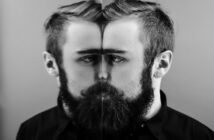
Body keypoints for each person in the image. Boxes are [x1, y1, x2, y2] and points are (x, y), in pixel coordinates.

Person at [16, 0, 214, 139]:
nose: (102, 74)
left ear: (161, 64)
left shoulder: (198, 136)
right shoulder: (33, 132)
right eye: (89, 58)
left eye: (117, 58)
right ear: (52, 65)